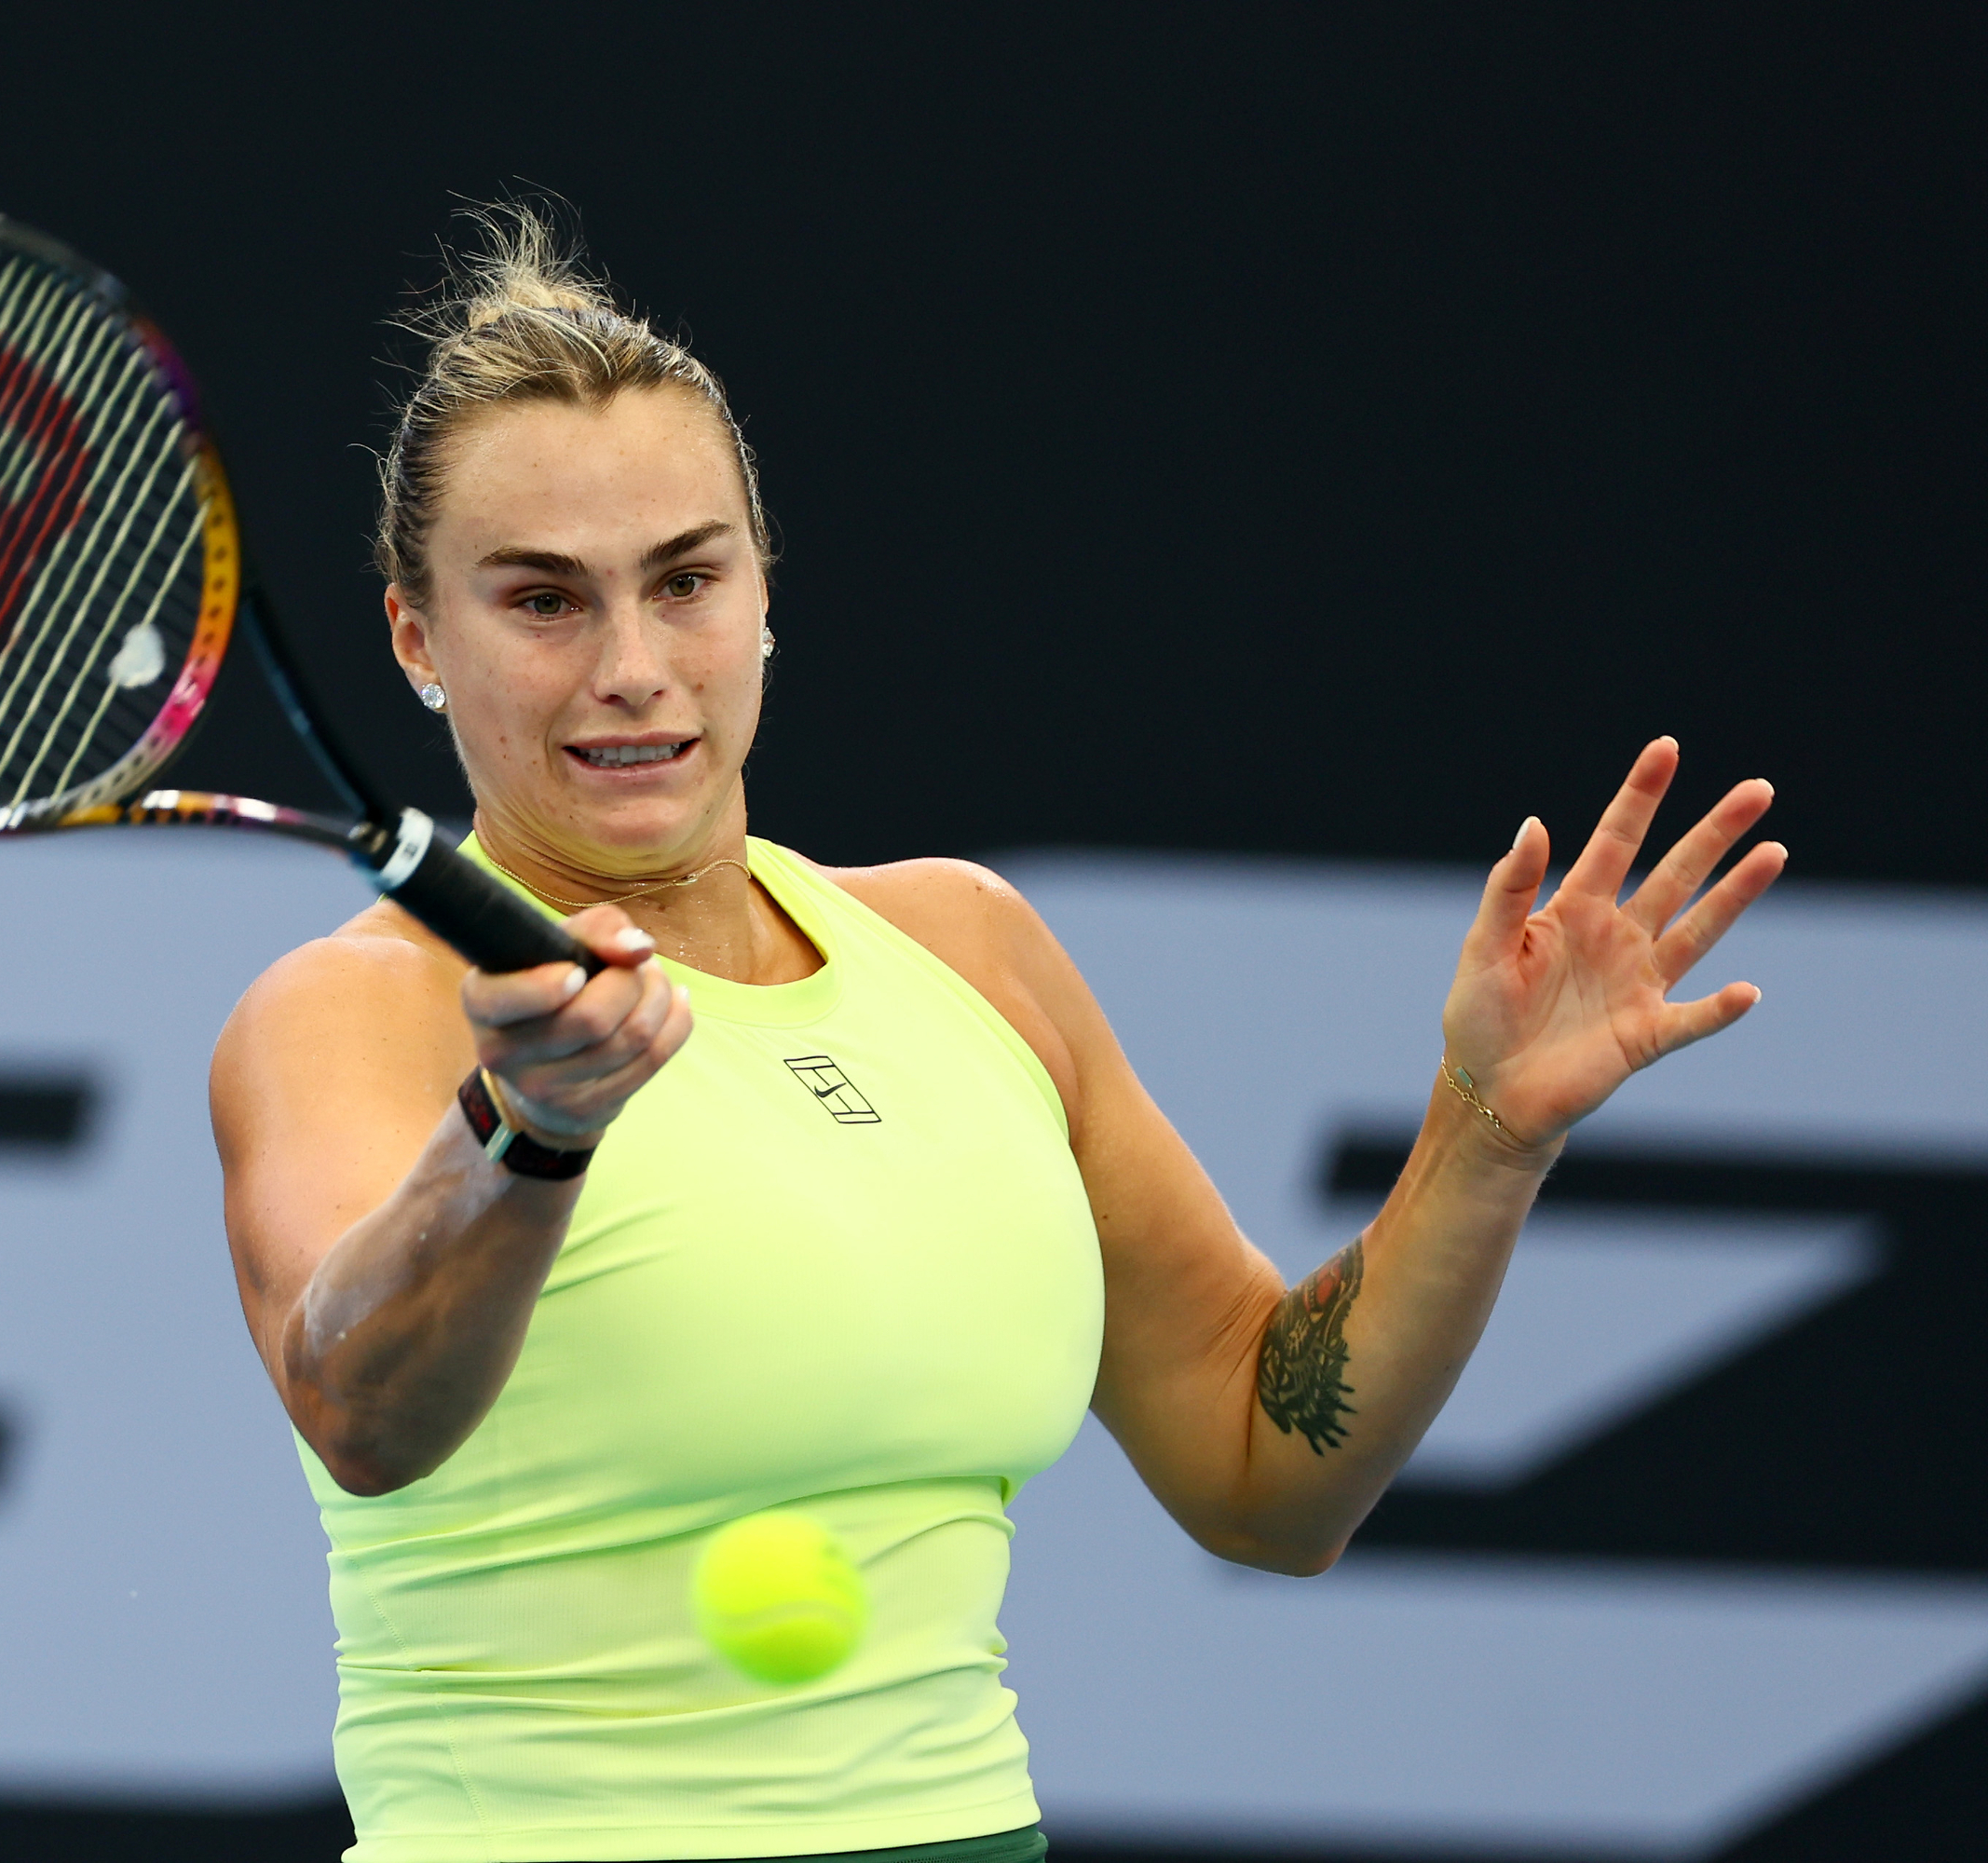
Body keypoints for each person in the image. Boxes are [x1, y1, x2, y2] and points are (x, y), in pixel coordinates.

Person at [210, 208, 1784, 1863]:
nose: (632, 668)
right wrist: (522, 1132)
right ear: (415, 639)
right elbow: (358, 1412)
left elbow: (1267, 1470)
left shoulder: (968, 948)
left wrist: (1488, 1127)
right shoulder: (351, 1013)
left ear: (762, 594)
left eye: (687, 580)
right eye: (543, 600)